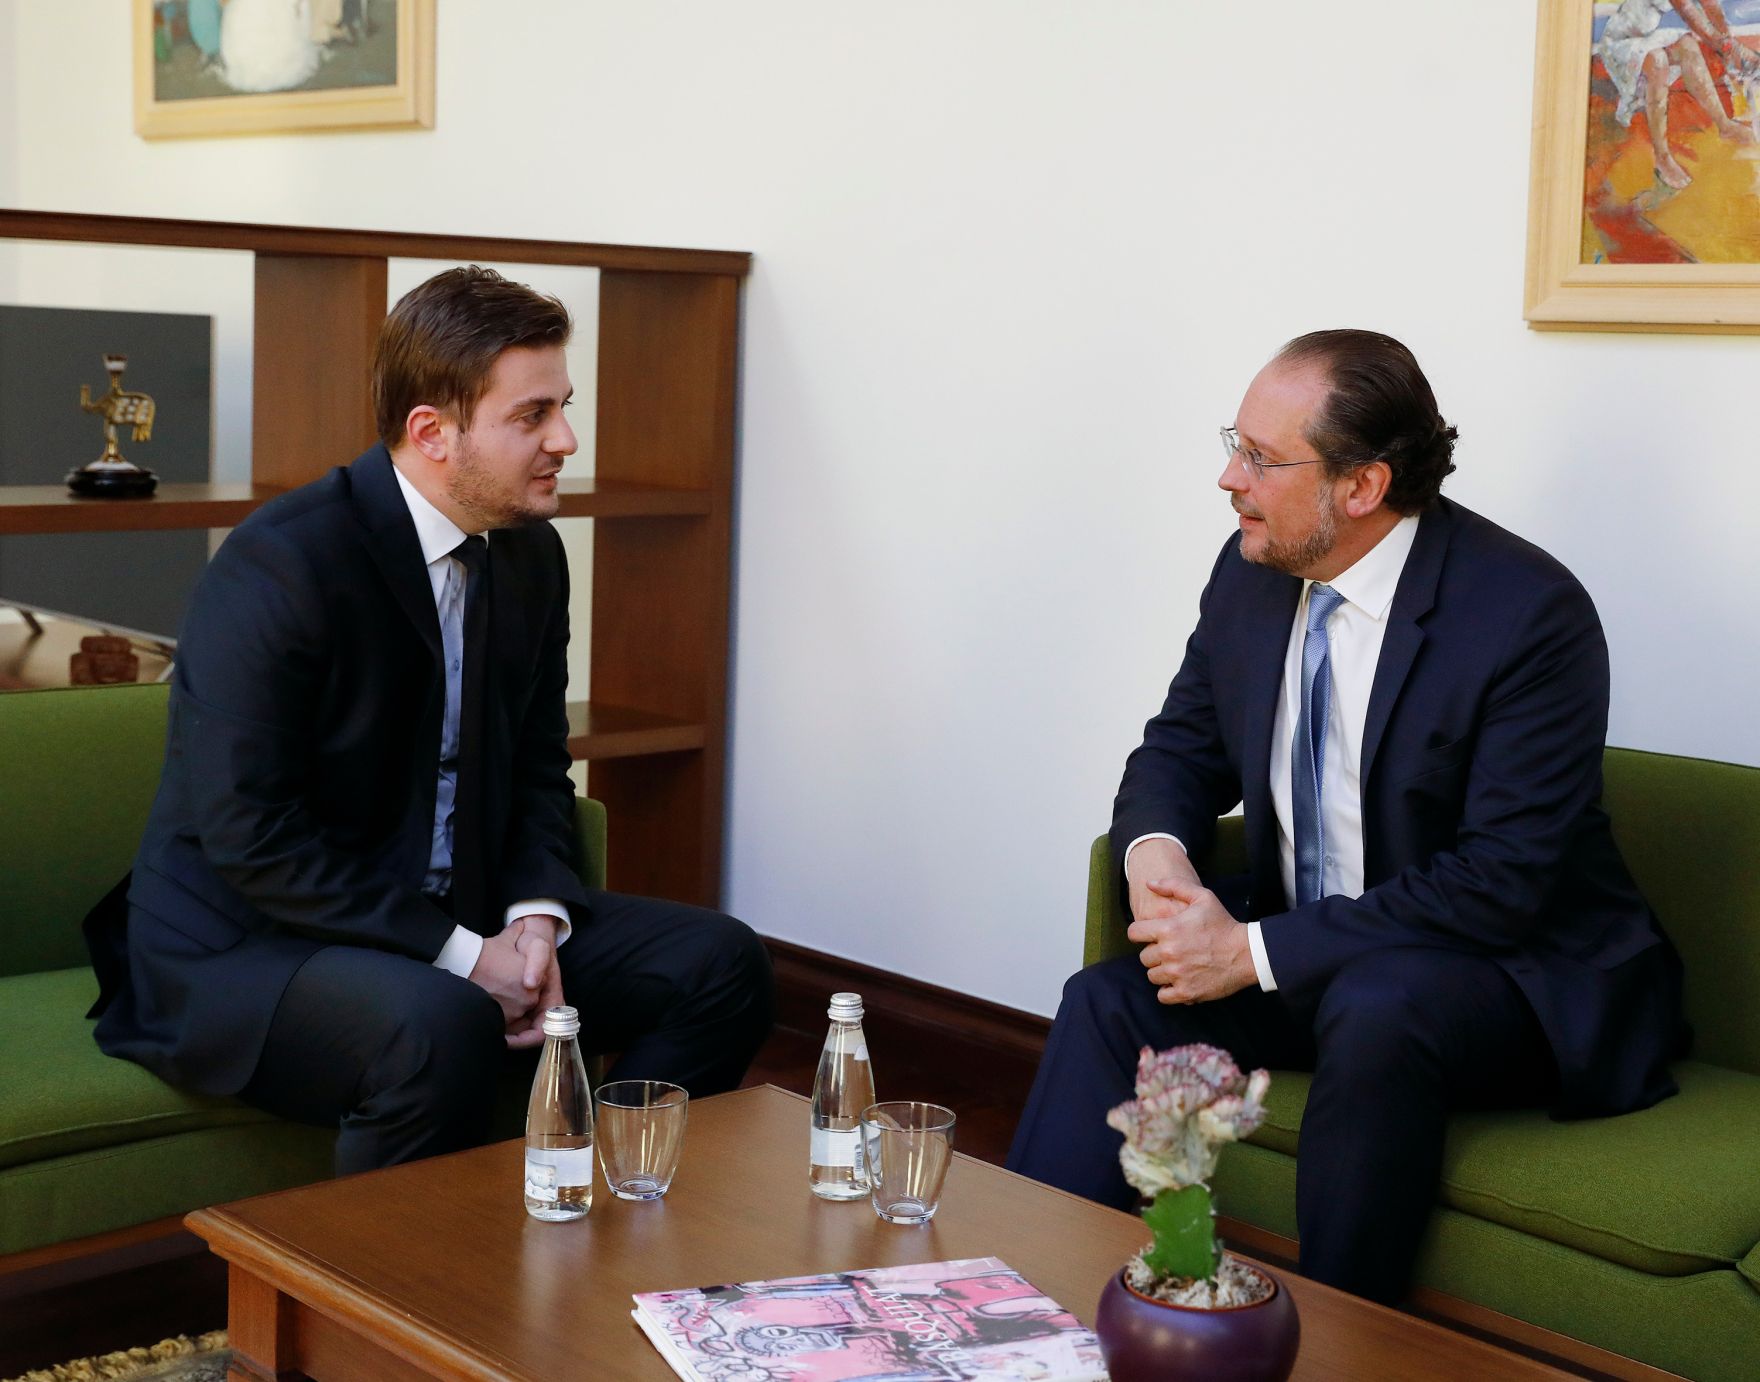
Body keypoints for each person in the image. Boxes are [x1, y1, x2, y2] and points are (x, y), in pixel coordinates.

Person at [1006, 330, 1686, 1305]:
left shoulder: (1526, 612)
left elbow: (1499, 882)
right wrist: (1157, 858)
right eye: (1230, 442)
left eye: (1259, 457)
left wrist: (1249, 952)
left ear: (1361, 486)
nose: (1225, 476)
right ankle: (1022, 1317)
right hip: (1316, 945)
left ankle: (1333, 1338)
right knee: (1107, 999)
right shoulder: (1250, 571)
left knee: (1379, 1005)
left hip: (1504, 972)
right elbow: (1178, 749)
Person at [84, 266, 774, 1174]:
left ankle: (586, 1212)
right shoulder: (283, 566)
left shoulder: (530, 556)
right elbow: (252, 838)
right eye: (532, 416)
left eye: (563, 407)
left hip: (461, 906)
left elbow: (536, 766)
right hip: (250, 943)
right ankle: (365, 1310)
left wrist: (535, 918)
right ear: (432, 433)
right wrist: (463, 956)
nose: (565, 439)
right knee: (438, 1021)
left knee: (720, 962)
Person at [1599, 0, 1760, 190]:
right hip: (1620, 42)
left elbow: (1712, 6)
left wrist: (1728, 47)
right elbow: (1686, 10)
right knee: (1658, 62)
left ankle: (1724, 125)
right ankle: (1662, 157)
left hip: (1647, 35)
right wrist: (1730, 49)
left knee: (1688, 45)